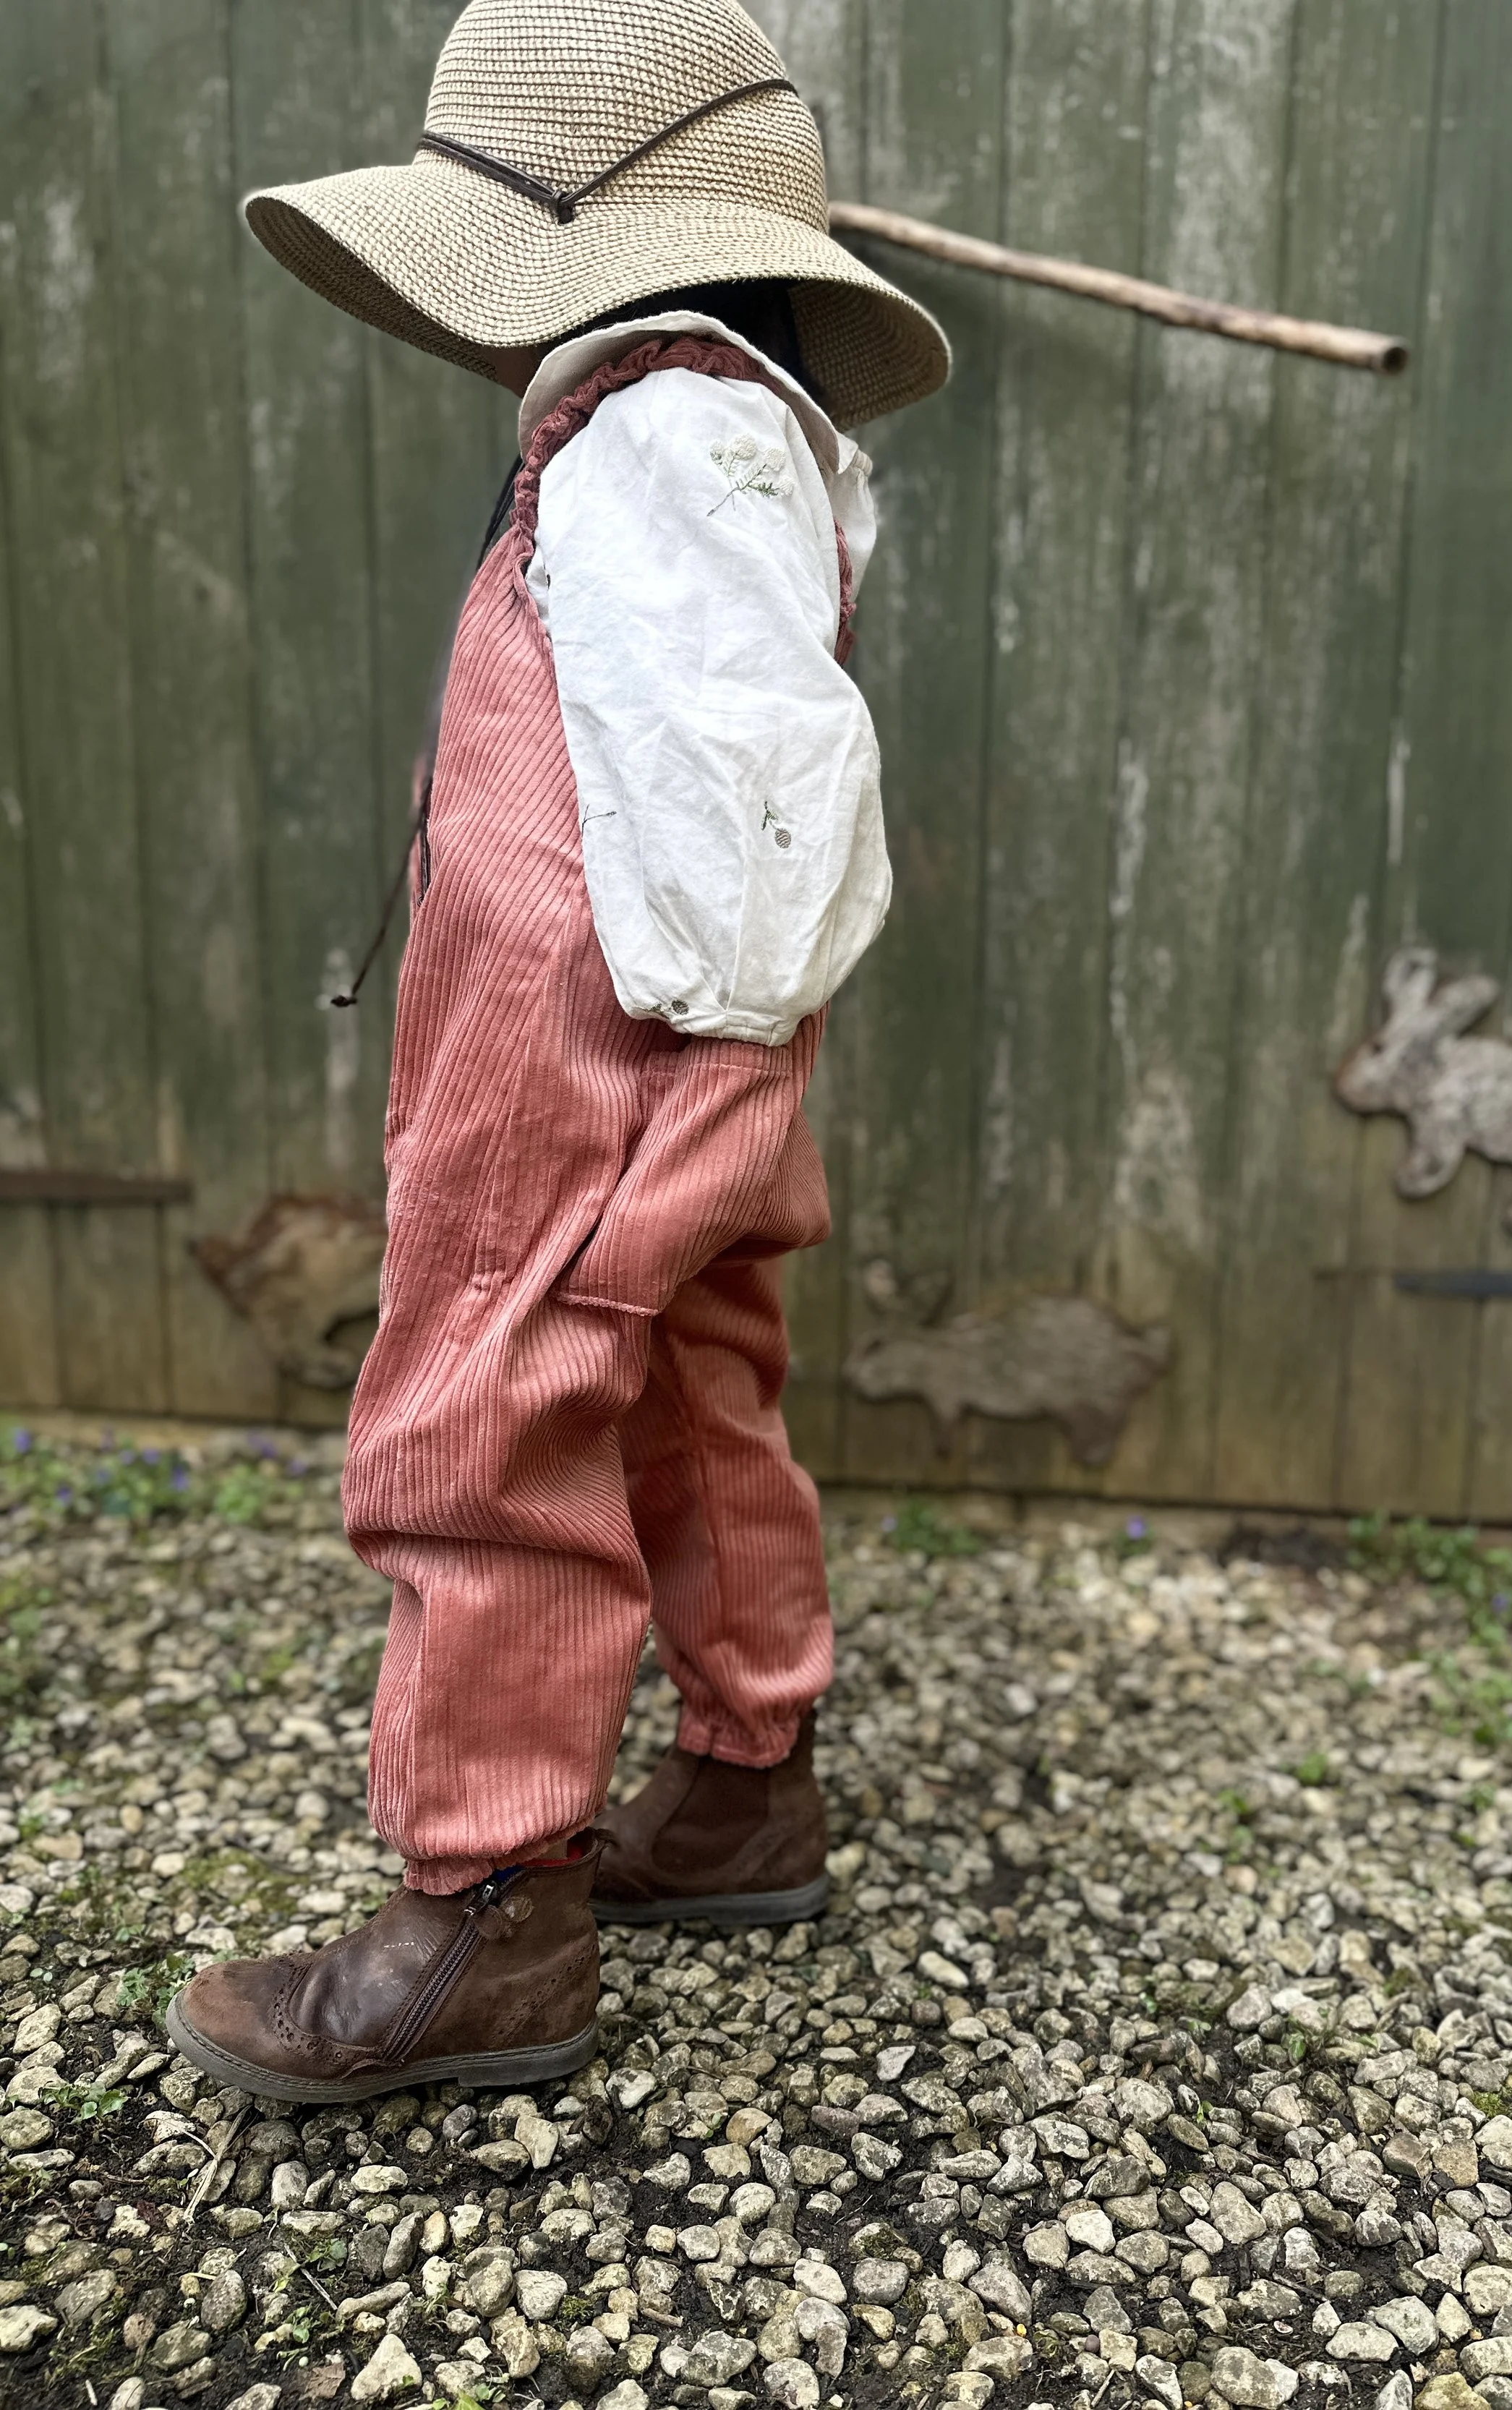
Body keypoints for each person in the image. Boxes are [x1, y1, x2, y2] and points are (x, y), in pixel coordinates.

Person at [164, 0, 948, 2105]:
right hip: (680, 1043)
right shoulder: (717, 423)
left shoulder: (659, 436)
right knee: (692, 1396)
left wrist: (663, 1082)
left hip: (585, 1053)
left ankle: (488, 1913)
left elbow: (742, 786)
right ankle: (744, 1782)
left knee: (484, 1422)